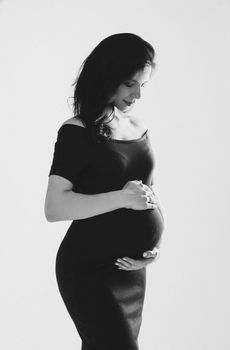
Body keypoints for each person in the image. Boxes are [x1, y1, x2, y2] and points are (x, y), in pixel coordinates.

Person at [44, 32, 165, 350]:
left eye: (143, 85)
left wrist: (155, 244)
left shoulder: (138, 127)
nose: (137, 94)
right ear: (108, 75)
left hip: (131, 274)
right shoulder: (76, 131)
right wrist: (122, 198)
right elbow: (54, 207)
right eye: (130, 83)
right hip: (89, 269)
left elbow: (148, 193)